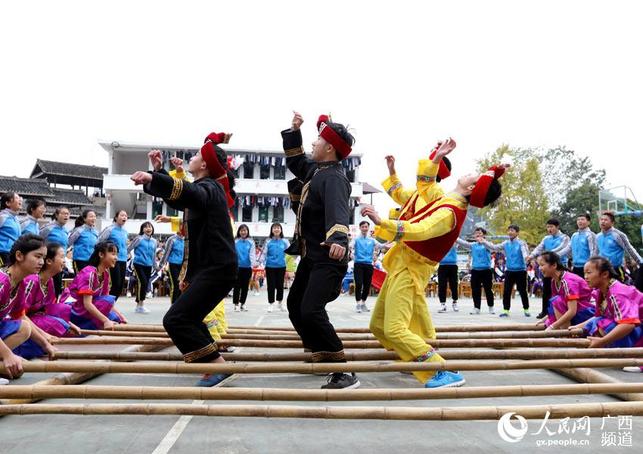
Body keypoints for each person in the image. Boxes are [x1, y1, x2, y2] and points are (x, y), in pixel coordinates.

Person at [362, 140, 507, 389]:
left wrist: (381, 222)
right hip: (402, 262)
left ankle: (437, 369)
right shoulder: (448, 199)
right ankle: (417, 355)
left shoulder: (450, 211)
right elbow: (425, 184)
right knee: (379, 326)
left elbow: (420, 230)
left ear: (473, 186)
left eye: (473, 174)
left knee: (395, 329)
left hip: (412, 267)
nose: (468, 171)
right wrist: (438, 156)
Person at [131, 131, 238, 387]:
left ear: (205, 165)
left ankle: (217, 366)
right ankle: (214, 364)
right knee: (187, 318)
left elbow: (189, 194)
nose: (192, 158)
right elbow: (183, 197)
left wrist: (154, 178)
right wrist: (158, 173)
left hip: (217, 269)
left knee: (175, 319)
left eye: (197, 155)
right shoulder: (205, 190)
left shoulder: (210, 188)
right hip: (212, 269)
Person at [283, 112, 358, 389]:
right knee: (295, 306)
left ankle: (342, 371)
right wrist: (294, 130)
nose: (313, 144)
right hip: (311, 257)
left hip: (329, 257)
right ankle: (319, 351)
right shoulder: (317, 171)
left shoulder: (335, 178)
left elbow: (339, 212)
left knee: (311, 310)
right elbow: (294, 160)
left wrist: (339, 240)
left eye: (317, 140)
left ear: (329, 148)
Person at [0, 234, 51, 382]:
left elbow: (20, 316)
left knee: (24, 327)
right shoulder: (2, 282)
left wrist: (45, 344)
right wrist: (7, 355)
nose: (42, 262)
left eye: (43, 257)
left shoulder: (20, 283)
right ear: (19, 256)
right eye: (37, 256)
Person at [571, 256, 642, 351]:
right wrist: (577, 327)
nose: (585, 277)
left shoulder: (618, 293)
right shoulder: (601, 292)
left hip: (638, 330)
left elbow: (628, 324)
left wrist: (602, 341)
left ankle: (619, 354)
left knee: (604, 324)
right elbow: (598, 316)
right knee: (598, 321)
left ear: (605, 274)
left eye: (589, 273)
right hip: (633, 327)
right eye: (584, 273)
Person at [20, 242, 81, 338]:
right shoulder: (32, 281)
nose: (64, 260)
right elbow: (20, 315)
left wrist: (68, 324)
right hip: (23, 321)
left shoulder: (50, 281)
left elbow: (50, 309)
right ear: (48, 261)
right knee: (55, 324)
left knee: (61, 309)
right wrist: (44, 335)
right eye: (61, 257)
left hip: (36, 317)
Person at [64, 241, 127, 330]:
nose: (116, 258)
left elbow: (108, 303)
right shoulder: (89, 273)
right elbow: (87, 304)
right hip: (73, 309)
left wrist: (121, 317)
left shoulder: (105, 274)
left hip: (83, 307)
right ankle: (85, 326)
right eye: (113, 254)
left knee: (115, 317)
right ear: (101, 254)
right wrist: (105, 321)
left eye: (116, 254)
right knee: (107, 305)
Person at [479, 224, 531, 317]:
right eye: (509, 230)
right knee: (507, 291)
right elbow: (494, 247)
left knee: (522, 290)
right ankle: (506, 310)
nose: (510, 232)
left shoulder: (521, 243)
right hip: (509, 271)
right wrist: (484, 242)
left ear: (517, 232)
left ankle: (526, 309)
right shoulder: (505, 243)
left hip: (520, 271)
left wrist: (526, 258)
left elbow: (525, 253)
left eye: (512, 230)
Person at [534, 251, 594, 330]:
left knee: (557, 301)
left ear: (554, 265)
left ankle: (565, 334)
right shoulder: (554, 281)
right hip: (577, 311)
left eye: (542, 265)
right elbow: (555, 306)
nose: (539, 268)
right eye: (539, 265)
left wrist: (553, 326)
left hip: (587, 313)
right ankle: (563, 331)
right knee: (555, 301)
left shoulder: (568, 281)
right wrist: (543, 320)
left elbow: (572, 311)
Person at [527, 218, 571, 319]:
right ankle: (545, 312)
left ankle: (562, 312)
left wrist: (547, 254)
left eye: (551, 227)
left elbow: (561, 248)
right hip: (547, 268)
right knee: (546, 290)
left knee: (561, 290)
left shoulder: (564, 238)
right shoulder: (546, 238)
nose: (549, 229)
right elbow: (539, 248)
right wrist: (531, 255)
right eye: (548, 227)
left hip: (560, 267)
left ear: (557, 227)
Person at [596, 211, 643, 291]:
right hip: (602, 270)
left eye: (605, 220)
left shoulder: (618, 235)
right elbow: (596, 253)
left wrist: (641, 263)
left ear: (612, 222)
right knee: (603, 292)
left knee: (618, 292)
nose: (603, 221)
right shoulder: (598, 236)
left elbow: (629, 249)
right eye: (601, 219)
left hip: (616, 269)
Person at [457, 228, 495, 314]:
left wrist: (484, 242)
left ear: (484, 235)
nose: (477, 234)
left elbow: (493, 249)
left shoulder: (488, 245)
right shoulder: (473, 245)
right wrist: (454, 237)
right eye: (476, 233)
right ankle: (477, 307)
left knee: (488, 289)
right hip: (475, 271)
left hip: (486, 270)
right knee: (475, 290)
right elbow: (463, 243)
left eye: (480, 233)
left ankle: (491, 307)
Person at [98, 210, 129, 300]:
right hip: (112, 259)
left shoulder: (125, 232)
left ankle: (109, 305)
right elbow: (99, 241)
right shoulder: (110, 229)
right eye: (122, 215)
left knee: (120, 286)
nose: (124, 217)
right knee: (116, 284)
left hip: (123, 259)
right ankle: (106, 305)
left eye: (126, 216)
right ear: (116, 217)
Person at [127, 221, 157, 314]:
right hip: (138, 264)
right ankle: (141, 305)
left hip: (148, 265)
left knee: (144, 283)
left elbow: (154, 254)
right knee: (143, 282)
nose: (148, 229)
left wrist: (155, 265)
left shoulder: (154, 241)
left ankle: (138, 305)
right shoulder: (138, 239)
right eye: (146, 227)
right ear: (142, 229)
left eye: (150, 227)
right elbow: (129, 248)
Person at [258, 223, 289, 312]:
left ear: (281, 230)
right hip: (270, 266)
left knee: (280, 285)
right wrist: (258, 263)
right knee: (271, 286)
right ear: (272, 230)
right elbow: (263, 254)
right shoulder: (268, 241)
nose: (276, 229)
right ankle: (271, 303)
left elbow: (290, 254)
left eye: (278, 228)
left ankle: (280, 303)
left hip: (281, 266)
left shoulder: (285, 241)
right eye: (274, 228)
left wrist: (289, 266)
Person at [39, 207, 71, 296]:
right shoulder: (48, 228)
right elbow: (38, 240)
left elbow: (66, 245)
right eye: (64, 213)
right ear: (56, 215)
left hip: (59, 262)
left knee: (57, 285)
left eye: (68, 214)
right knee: (47, 285)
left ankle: (55, 305)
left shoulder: (65, 230)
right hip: (48, 261)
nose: (66, 216)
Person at [558, 213, 598, 278]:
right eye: (578, 220)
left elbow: (593, 252)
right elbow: (568, 248)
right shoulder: (574, 235)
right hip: (575, 267)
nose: (580, 221)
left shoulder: (590, 235)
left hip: (586, 268)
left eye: (582, 219)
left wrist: (590, 267)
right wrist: (556, 255)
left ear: (588, 222)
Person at [351, 220, 379, 313]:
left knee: (367, 285)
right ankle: (358, 304)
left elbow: (380, 245)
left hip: (368, 265)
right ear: (360, 228)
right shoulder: (356, 239)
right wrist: (350, 248)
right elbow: (351, 245)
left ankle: (363, 303)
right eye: (362, 226)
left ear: (368, 228)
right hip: (358, 264)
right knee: (358, 284)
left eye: (366, 226)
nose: (364, 228)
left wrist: (389, 243)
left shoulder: (372, 240)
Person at [158, 225, 185, 304]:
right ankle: (173, 305)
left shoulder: (186, 240)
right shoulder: (172, 239)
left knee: (182, 285)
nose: (182, 228)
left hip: (183, 266)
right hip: (173, 264)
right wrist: (161, 265)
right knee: (175, 285)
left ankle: (179, 305)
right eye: (180, 226)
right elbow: (166, 253)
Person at [233, 224, 257, 312]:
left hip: (247, 268)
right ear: (239, 232)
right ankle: (236, 304)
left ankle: (242, 304)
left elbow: (252, 254)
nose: (243, 232)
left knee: (245, 287)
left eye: (245, 230)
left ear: (247, 232)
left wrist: (254, 263)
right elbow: (233, 253)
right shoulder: (235, 241)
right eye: (242, 230)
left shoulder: (251, 242)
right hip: (237, 268)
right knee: (237, 286)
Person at [0, 192, 23, 266]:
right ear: (8, 203)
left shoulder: (15, 218)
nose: (20, 200)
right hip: (3, 253)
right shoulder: (2, 217)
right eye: (16, 198)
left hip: (12, 253)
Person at [436, 245, 459, 313]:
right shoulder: (441, 241)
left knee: (454, 285)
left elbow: (456, 244)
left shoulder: (454, 241)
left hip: (453, 265)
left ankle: (454, 302)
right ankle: (443, 304)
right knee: (442, 285)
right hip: (442, 265)